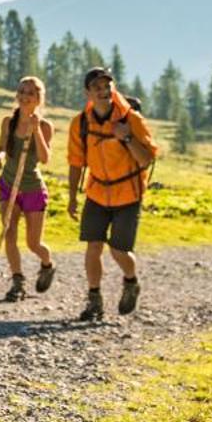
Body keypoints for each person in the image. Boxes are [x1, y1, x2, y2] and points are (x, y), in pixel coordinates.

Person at [65, 66, 159, 321]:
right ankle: (94, 300)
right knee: (93, 246)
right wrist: (72, 196)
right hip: (96, 192)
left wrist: (127, 138)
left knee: (118, 251)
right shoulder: (81, 123)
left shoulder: (131, 120)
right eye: (97, 87)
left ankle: (131, 282)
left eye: (107, 86)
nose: (104, 91)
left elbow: (146, 161)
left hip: (128, 194)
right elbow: (76, 162)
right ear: (88, 93)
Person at [0, 75, 56, 301]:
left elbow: (45, 158)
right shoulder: (9, 121)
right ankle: (17, 282)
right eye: (22, 91)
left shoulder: (45, 126)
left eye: (30, 93)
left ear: (39, 99)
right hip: (9, 184)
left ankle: (47, 264)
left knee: (33, 243)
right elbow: (1, 148)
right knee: (9, 233)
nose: (25, 96)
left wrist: (36, 130)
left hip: (32, 189)